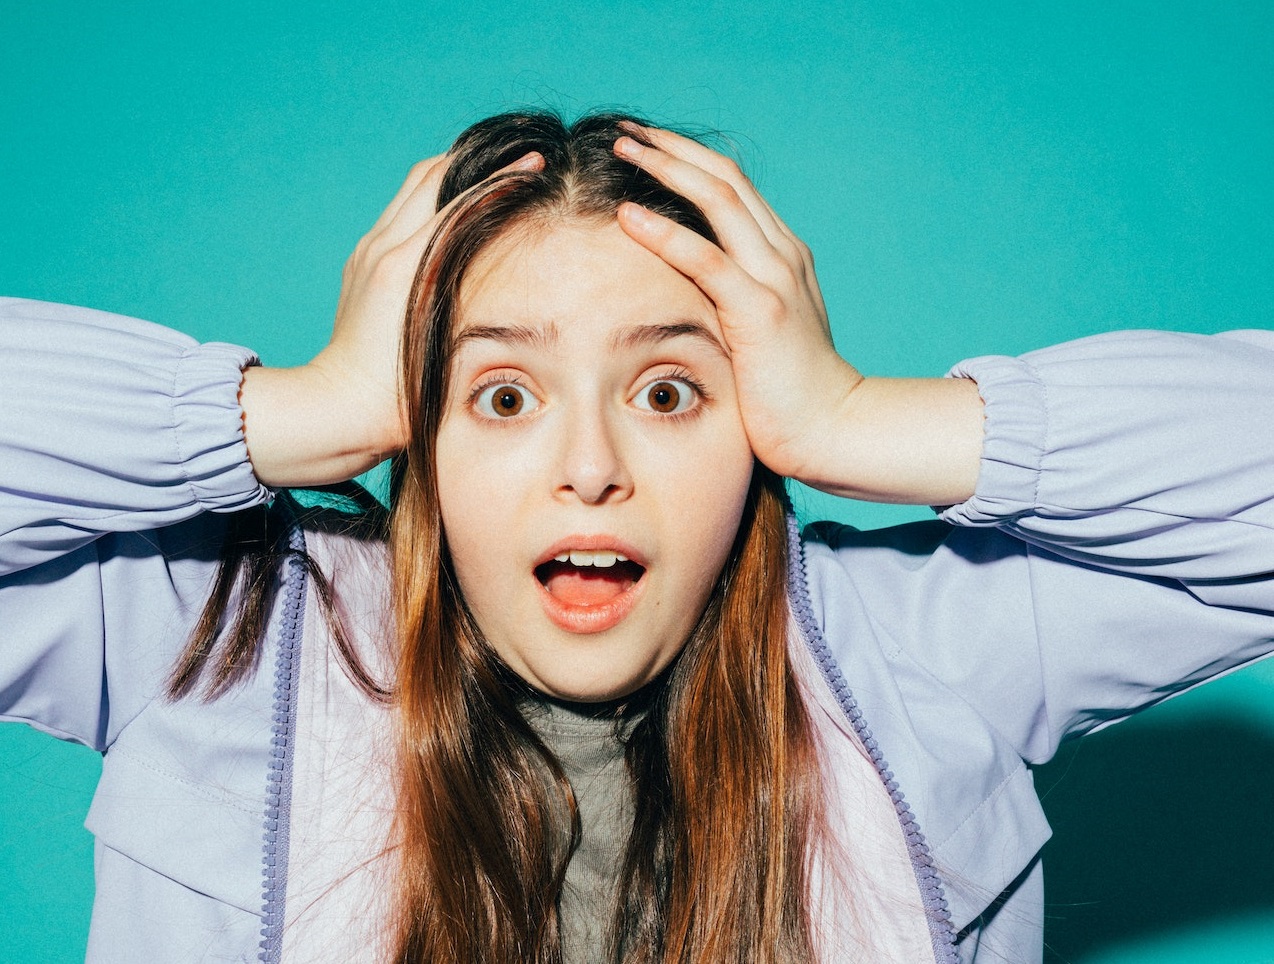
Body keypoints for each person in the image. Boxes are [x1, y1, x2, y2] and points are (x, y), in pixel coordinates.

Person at [1, 110, 1271, 964]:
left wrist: (856, 417)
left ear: (753, 425)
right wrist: (288, 411)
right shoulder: (215, 638)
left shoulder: (916, 663)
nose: (590, 467)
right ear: (414, 430)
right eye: (502, 396)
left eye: (667, 392)